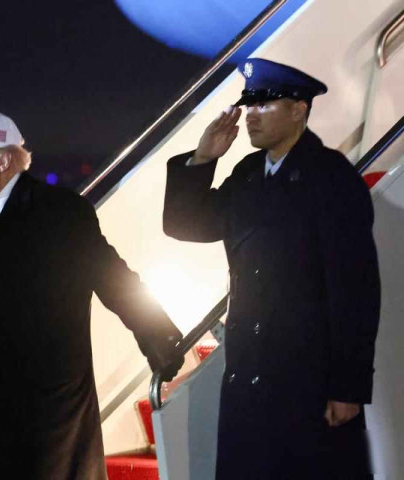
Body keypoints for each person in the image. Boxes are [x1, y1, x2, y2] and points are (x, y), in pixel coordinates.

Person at [0, 109, 184, 479]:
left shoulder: (59, 212)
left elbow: (113, 279)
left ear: (4, 160)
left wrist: (160, 337)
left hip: (39, 418)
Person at [163, 58, 380, 479]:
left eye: (265, 104)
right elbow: (186, 224)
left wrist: (348, 387)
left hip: (307, 381)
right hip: (248, 379)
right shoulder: (248, 174)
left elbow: (355, 289)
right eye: (250, 105)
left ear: (298, 110)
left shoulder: (331, 177)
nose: (251, 115)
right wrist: (203, 158)